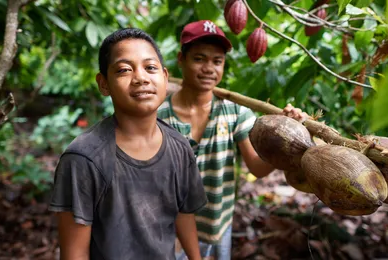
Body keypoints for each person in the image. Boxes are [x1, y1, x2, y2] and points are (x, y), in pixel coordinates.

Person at [48, 28, 208, 260]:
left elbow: (183, 214)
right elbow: (74, 253)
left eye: (150, 68)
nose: (141, 78)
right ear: (104, 84)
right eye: (124, 70)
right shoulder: (83, 159)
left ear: (165, 77)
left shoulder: (179, 147)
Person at [157, 20, 309, 260]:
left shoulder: (235, 113)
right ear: (181, 59)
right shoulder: (158, 116)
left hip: (216, 227)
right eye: (199, 59)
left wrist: (288, 138)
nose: (209, 68)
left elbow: (257, 168)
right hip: (166, 230)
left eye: (217, 61)